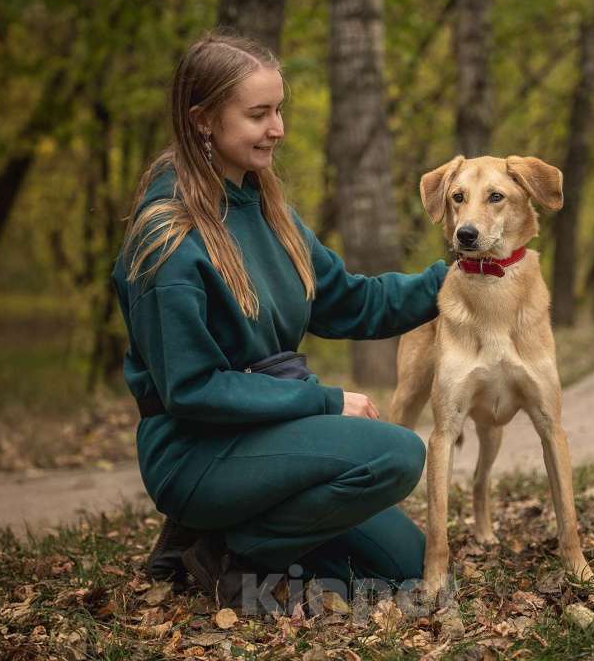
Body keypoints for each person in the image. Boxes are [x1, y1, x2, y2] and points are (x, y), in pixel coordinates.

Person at [110, 33, 448, 610]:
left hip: (270, 436)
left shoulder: (268, 209)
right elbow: (193, 390)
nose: (278, 128)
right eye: (259, 114)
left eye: (280, 109)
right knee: (396, 454)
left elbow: (349, 302)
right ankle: (228, 555)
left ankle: (229, 537)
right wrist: (326, 402)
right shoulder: (168, 242)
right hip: (196, 452)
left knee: (405, 567)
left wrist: (452, 281)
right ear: (204, 121)